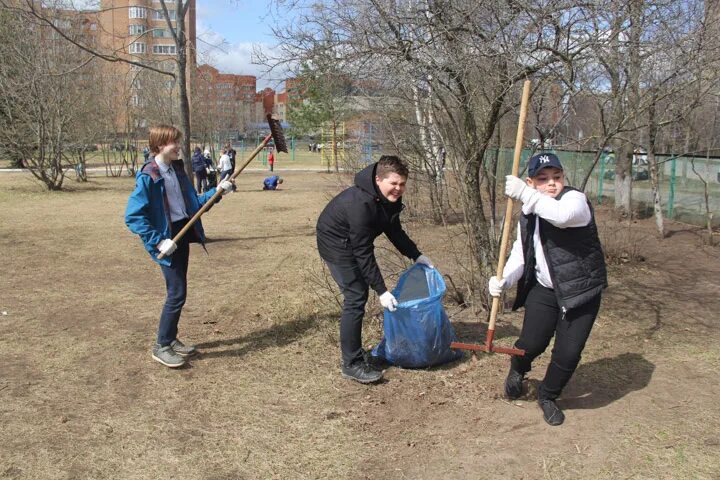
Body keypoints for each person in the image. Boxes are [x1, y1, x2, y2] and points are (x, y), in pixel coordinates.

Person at [489, 152, 607, 426]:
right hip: (545, 289)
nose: (552, 184)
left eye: (557, 177)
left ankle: (548, 395)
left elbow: (561, 216)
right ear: (530, 182)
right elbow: (521, 254)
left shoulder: (575, 201)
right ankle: (518, 367)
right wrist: (503, 280)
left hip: (580, 292)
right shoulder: (528, 214)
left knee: (567, 354)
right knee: (531, 343)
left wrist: (528, 195)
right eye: (543, 179)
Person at [316, 155, 434, 384]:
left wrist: (416, 255)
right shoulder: (361, 204)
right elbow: (362, 251)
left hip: (352, 242)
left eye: (402, 184)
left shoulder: (387, 199)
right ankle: (351, 363)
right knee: (356, 296)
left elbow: (394, 231)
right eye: (393, 183)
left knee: (359, 292)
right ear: (379, 179)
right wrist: (381, 291)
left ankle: (357, 356)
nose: (398, 189)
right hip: (335, 243)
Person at [125, 125, 234, 368]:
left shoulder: (176, 170)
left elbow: (193, 204)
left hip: (183, 233)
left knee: (179, 291)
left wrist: (216, 192)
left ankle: (171, 339)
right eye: (174, 142)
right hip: (167, 239)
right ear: (160, 145)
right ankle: (161, 345)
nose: (178, 146)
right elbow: (133, 217)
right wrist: (158, 240)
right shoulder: (149, 176)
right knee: (176, 293)